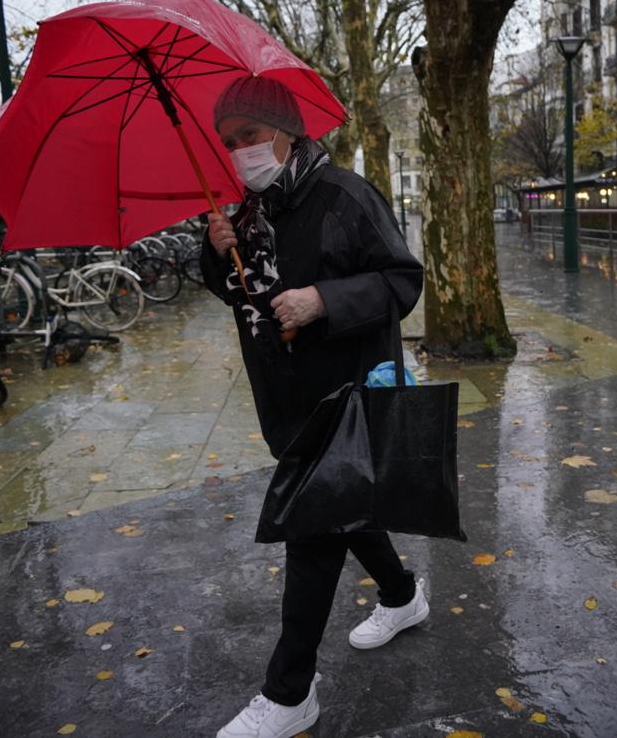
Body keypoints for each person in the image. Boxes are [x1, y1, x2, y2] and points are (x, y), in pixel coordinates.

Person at [201, 75, 429, 738]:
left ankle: (289, 691)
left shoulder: (346, 196)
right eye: (229, 142)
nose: (241, 151)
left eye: (249, 136)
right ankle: (401, 594)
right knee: (345, 513)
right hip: (286, 398)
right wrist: (217, 257)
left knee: (312, 529)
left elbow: (399, 280)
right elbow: (237, 296)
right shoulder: (238, 213)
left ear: (287, 132)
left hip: (350, 395)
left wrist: (323, 301)